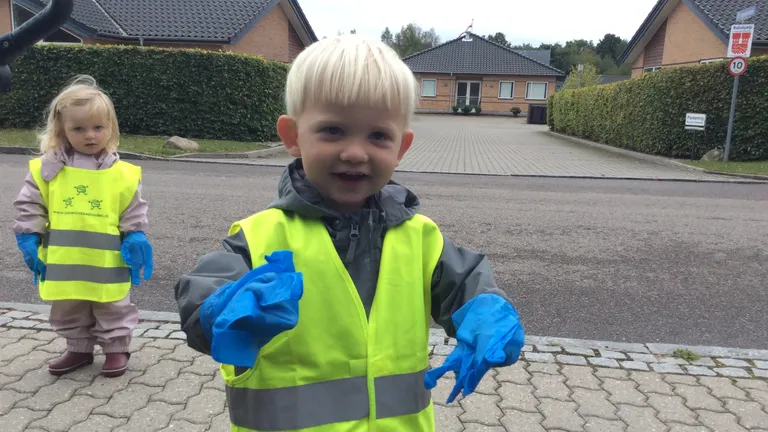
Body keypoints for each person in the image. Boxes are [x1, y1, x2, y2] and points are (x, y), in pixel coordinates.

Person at [175, 35, 525, 431]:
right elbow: (203, 291)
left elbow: (467, 283)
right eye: (333, 130)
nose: (356, 152)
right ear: (292, 136)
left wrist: (487, 311)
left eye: (378, 136)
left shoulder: (422, 238)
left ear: (401, 147)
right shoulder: (258, 237)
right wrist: (220, 309)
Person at [12, 75, 154, 378]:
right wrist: (28, 235)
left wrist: (135, 233)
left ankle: (116, 348)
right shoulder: (48, 169)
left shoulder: (122, 173)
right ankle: (78, 348)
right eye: (78, 129)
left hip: (107, 262)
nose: (90, 135)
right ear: (61, 129)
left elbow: (133, 207)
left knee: (112, 304)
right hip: (65, 261)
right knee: (68, 305)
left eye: (98, 127)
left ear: (111, 127)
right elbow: (30, 204)